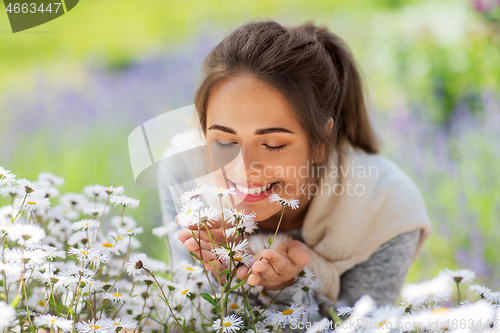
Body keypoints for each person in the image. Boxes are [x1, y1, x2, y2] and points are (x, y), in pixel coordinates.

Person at [157, 19, 432, 317]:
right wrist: (223, 278)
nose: (245, 169)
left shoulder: (385, 209)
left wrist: (288, 289)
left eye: (273, 144)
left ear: (320, 142)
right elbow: (187, 315)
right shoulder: (186, 171)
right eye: (224, 141)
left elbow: (362, 325)